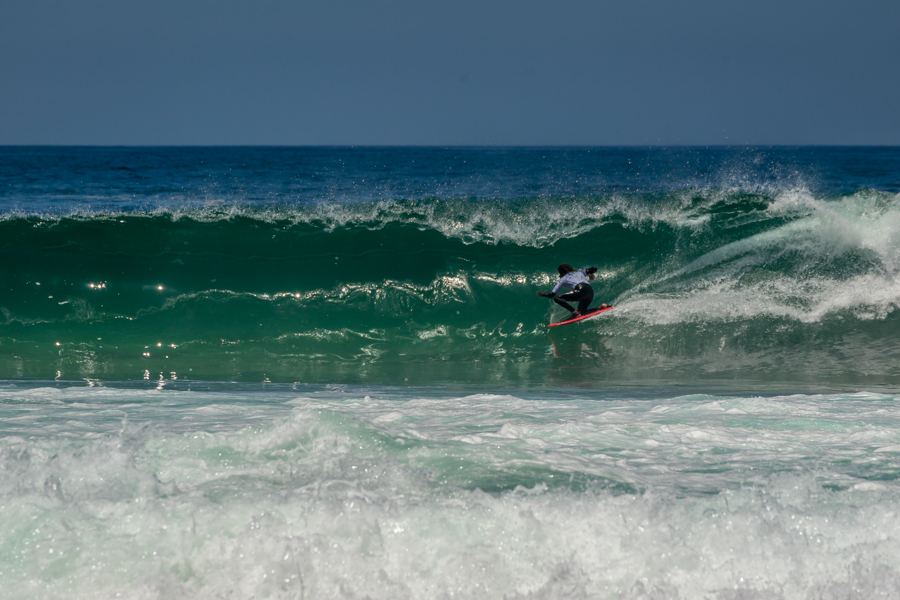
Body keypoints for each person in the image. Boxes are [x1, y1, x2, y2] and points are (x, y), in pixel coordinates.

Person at [536, 263, 608, 318]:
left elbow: (552, 295)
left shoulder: (562, 279)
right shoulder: (580, 272)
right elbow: (594, 268)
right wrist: (591, 274)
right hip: (590, 291)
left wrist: (543, 294)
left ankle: (574, 312)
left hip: (581, 290)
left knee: (557, 298)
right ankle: (601, 307)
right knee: (582, 312)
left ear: (561, 273)